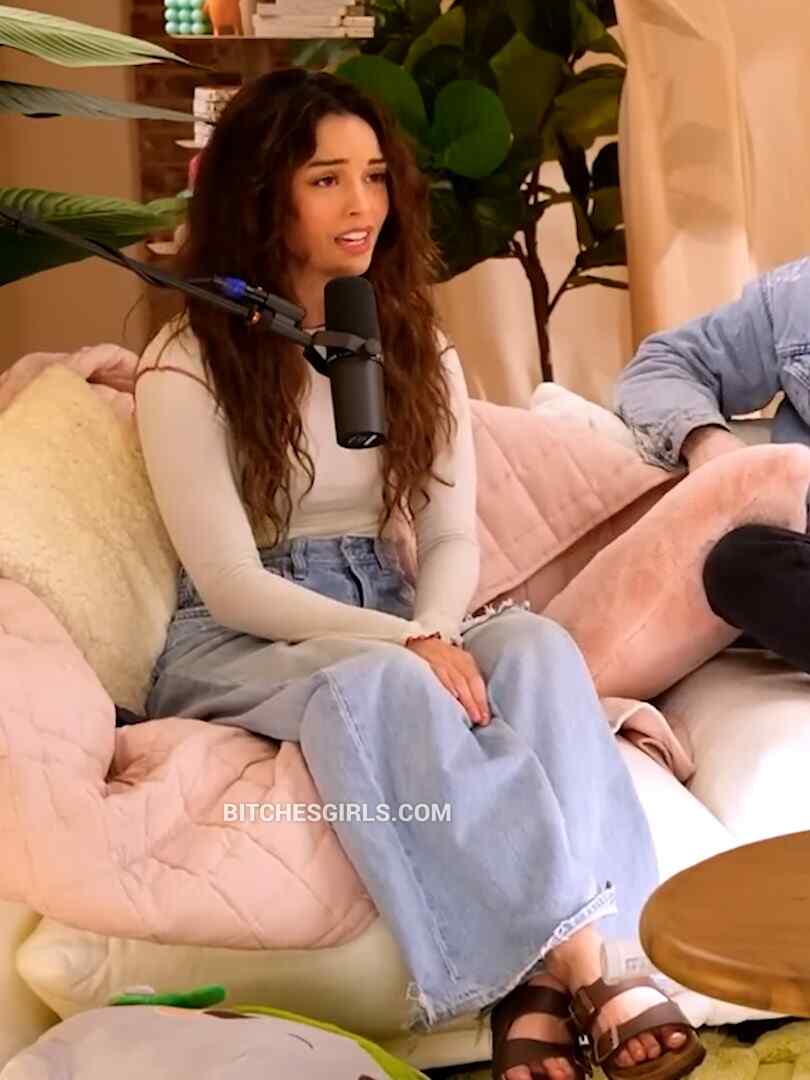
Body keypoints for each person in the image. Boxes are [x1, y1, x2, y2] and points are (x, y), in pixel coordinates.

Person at [134, 68, 703, 1080]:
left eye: (373, 176)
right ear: (261, 196)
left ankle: (541, 993)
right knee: (390, 683)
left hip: (390, 599)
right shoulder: (187, 361)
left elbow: (447, 540)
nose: (362, 205)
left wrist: (432, 627)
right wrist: (410, 645)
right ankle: (589, 966)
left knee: (534, 646)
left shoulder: (409, 345)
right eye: (325, 180)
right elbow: (228, 584)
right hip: (244, 634)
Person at [615, 259, 810, 674]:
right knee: (739, 562)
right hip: (794, 561)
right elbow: (663, 365)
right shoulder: (797, 298)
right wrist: (708, 444)